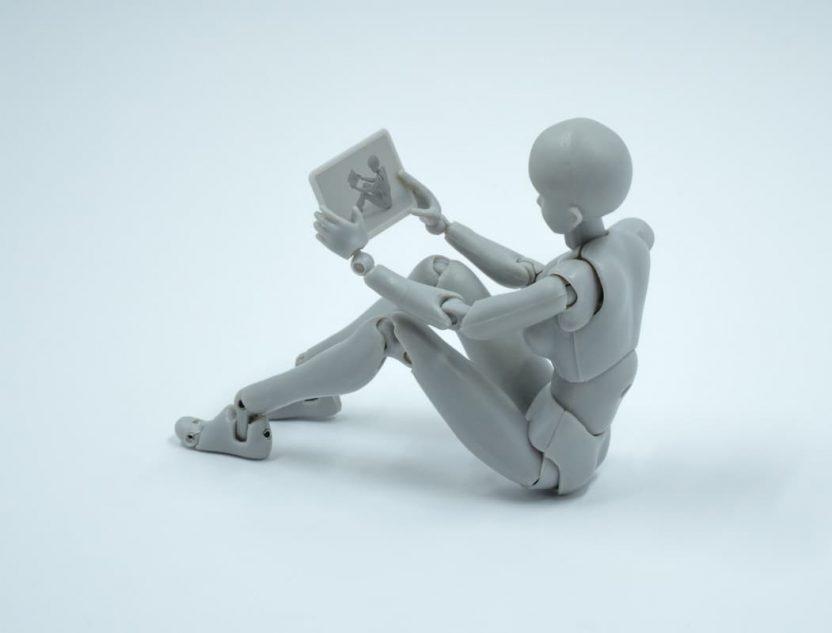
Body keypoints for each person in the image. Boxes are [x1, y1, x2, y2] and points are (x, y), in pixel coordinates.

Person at [175, 118, 653, 494]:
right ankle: (313, 381)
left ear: (570, 213)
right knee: (440, 271)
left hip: (547, 457)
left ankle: (242, 414)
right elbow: (528, 271)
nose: (536, 201)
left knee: (393, 329)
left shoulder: (567, 289)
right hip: (565, 417)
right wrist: (444, 226)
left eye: (542, 196)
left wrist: (362, 260)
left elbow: (464, 319)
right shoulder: (631, 239)